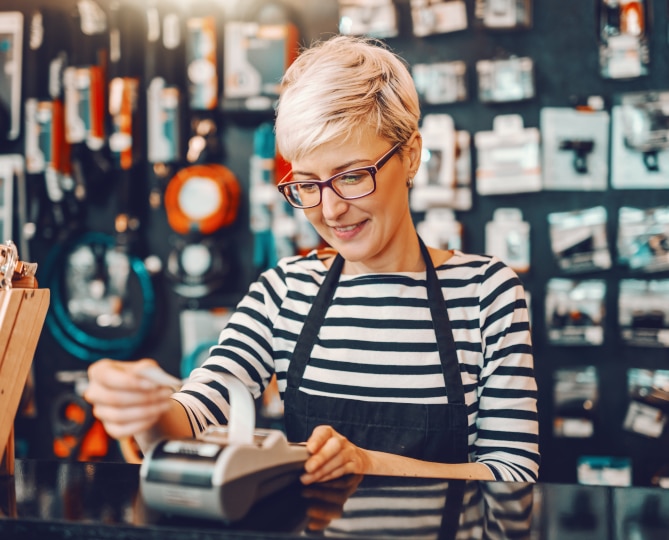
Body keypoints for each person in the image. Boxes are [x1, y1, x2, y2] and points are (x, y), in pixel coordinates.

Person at [84, 35, 540, 485]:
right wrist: (144, 409)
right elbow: (196, 415)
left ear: (412, 156)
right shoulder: (284, 292)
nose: (330, 209)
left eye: (352, 176)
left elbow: (513, 475)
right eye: (307, 184)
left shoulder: (486, 293)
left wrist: (367, 464)